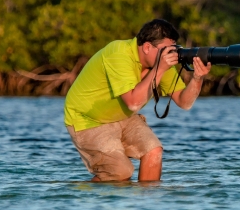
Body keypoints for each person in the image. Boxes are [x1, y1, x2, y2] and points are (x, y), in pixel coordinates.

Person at [64, 19, 211, 182]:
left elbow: (184, 102)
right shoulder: (119, 53)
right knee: (120, 173)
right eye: (166, 50)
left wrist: (197, 78)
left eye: (173, 49)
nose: (171, 55)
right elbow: (133, 102)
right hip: (88, 120)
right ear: (147, 47)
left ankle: (147, 205)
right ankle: (80, 199)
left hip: (122, 116)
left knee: (153, 151)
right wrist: (159, 68)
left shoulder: (161, 63)